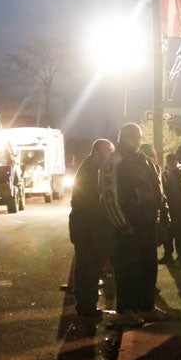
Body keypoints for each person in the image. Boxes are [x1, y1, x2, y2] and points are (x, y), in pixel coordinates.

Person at [101, 123, 166, 329]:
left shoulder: (143, 160)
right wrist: (122, 225)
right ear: (123, 137)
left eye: (139, 137)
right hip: (128, 225)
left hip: (147, 224)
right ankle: (126, 311)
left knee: (148, 266)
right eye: (133, 136)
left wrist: (160, 217)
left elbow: (157, 189)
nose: (137, 140)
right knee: (128, 269)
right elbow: (109, 196)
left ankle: (146, 307)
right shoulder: (114, 162)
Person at [68, 138, 116, 322]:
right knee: (88, 268)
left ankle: (87, 305)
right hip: (87, 228)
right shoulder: (89, 171)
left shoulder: (93, 168)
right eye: (107, 151)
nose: (110, 155)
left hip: (87, 228)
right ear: (96, 152)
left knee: (90, 268)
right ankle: (86, 307)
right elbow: (92, 203)